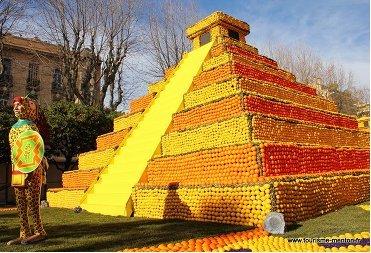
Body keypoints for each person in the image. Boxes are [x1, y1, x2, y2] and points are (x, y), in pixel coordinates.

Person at [6, 96, 48, 245]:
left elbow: (36, 147)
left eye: (20, 105)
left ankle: (39, 231)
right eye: (14, 105)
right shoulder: (13, 129)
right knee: (21, 202)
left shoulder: (31, 127)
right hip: (17, 168)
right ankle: (24, 232)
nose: (16, 108)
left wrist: (36, 165)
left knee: (32, 202)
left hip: (32, 169)